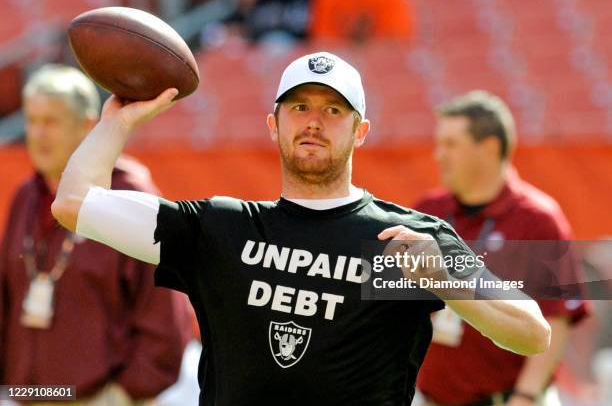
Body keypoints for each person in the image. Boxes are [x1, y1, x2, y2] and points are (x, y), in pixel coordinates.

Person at [50, 52, 551, 405]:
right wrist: (117, 122)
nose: (314, 121)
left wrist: (442, 282)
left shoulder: (411, 237)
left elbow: (532, 332)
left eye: (333, 110)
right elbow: (74, 204)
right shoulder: (221, 228)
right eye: (299, 107)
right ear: (274, 123)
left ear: (360, 131)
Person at [0, 64, 192, 405]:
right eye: (32, 120)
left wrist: (123, 396)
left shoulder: (130, 193)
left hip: (103, 398)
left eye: (52, 122)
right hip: (29, 395)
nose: (38, 134)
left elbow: (166, 311)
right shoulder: (26, 195)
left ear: (88, 126)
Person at [413, 91, 589, 406]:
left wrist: (525, 395)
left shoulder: (538, 219)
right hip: (433, 398)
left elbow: (558, 318)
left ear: (489, 147)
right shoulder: (428, 210)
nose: (438, 155)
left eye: (451, 144)